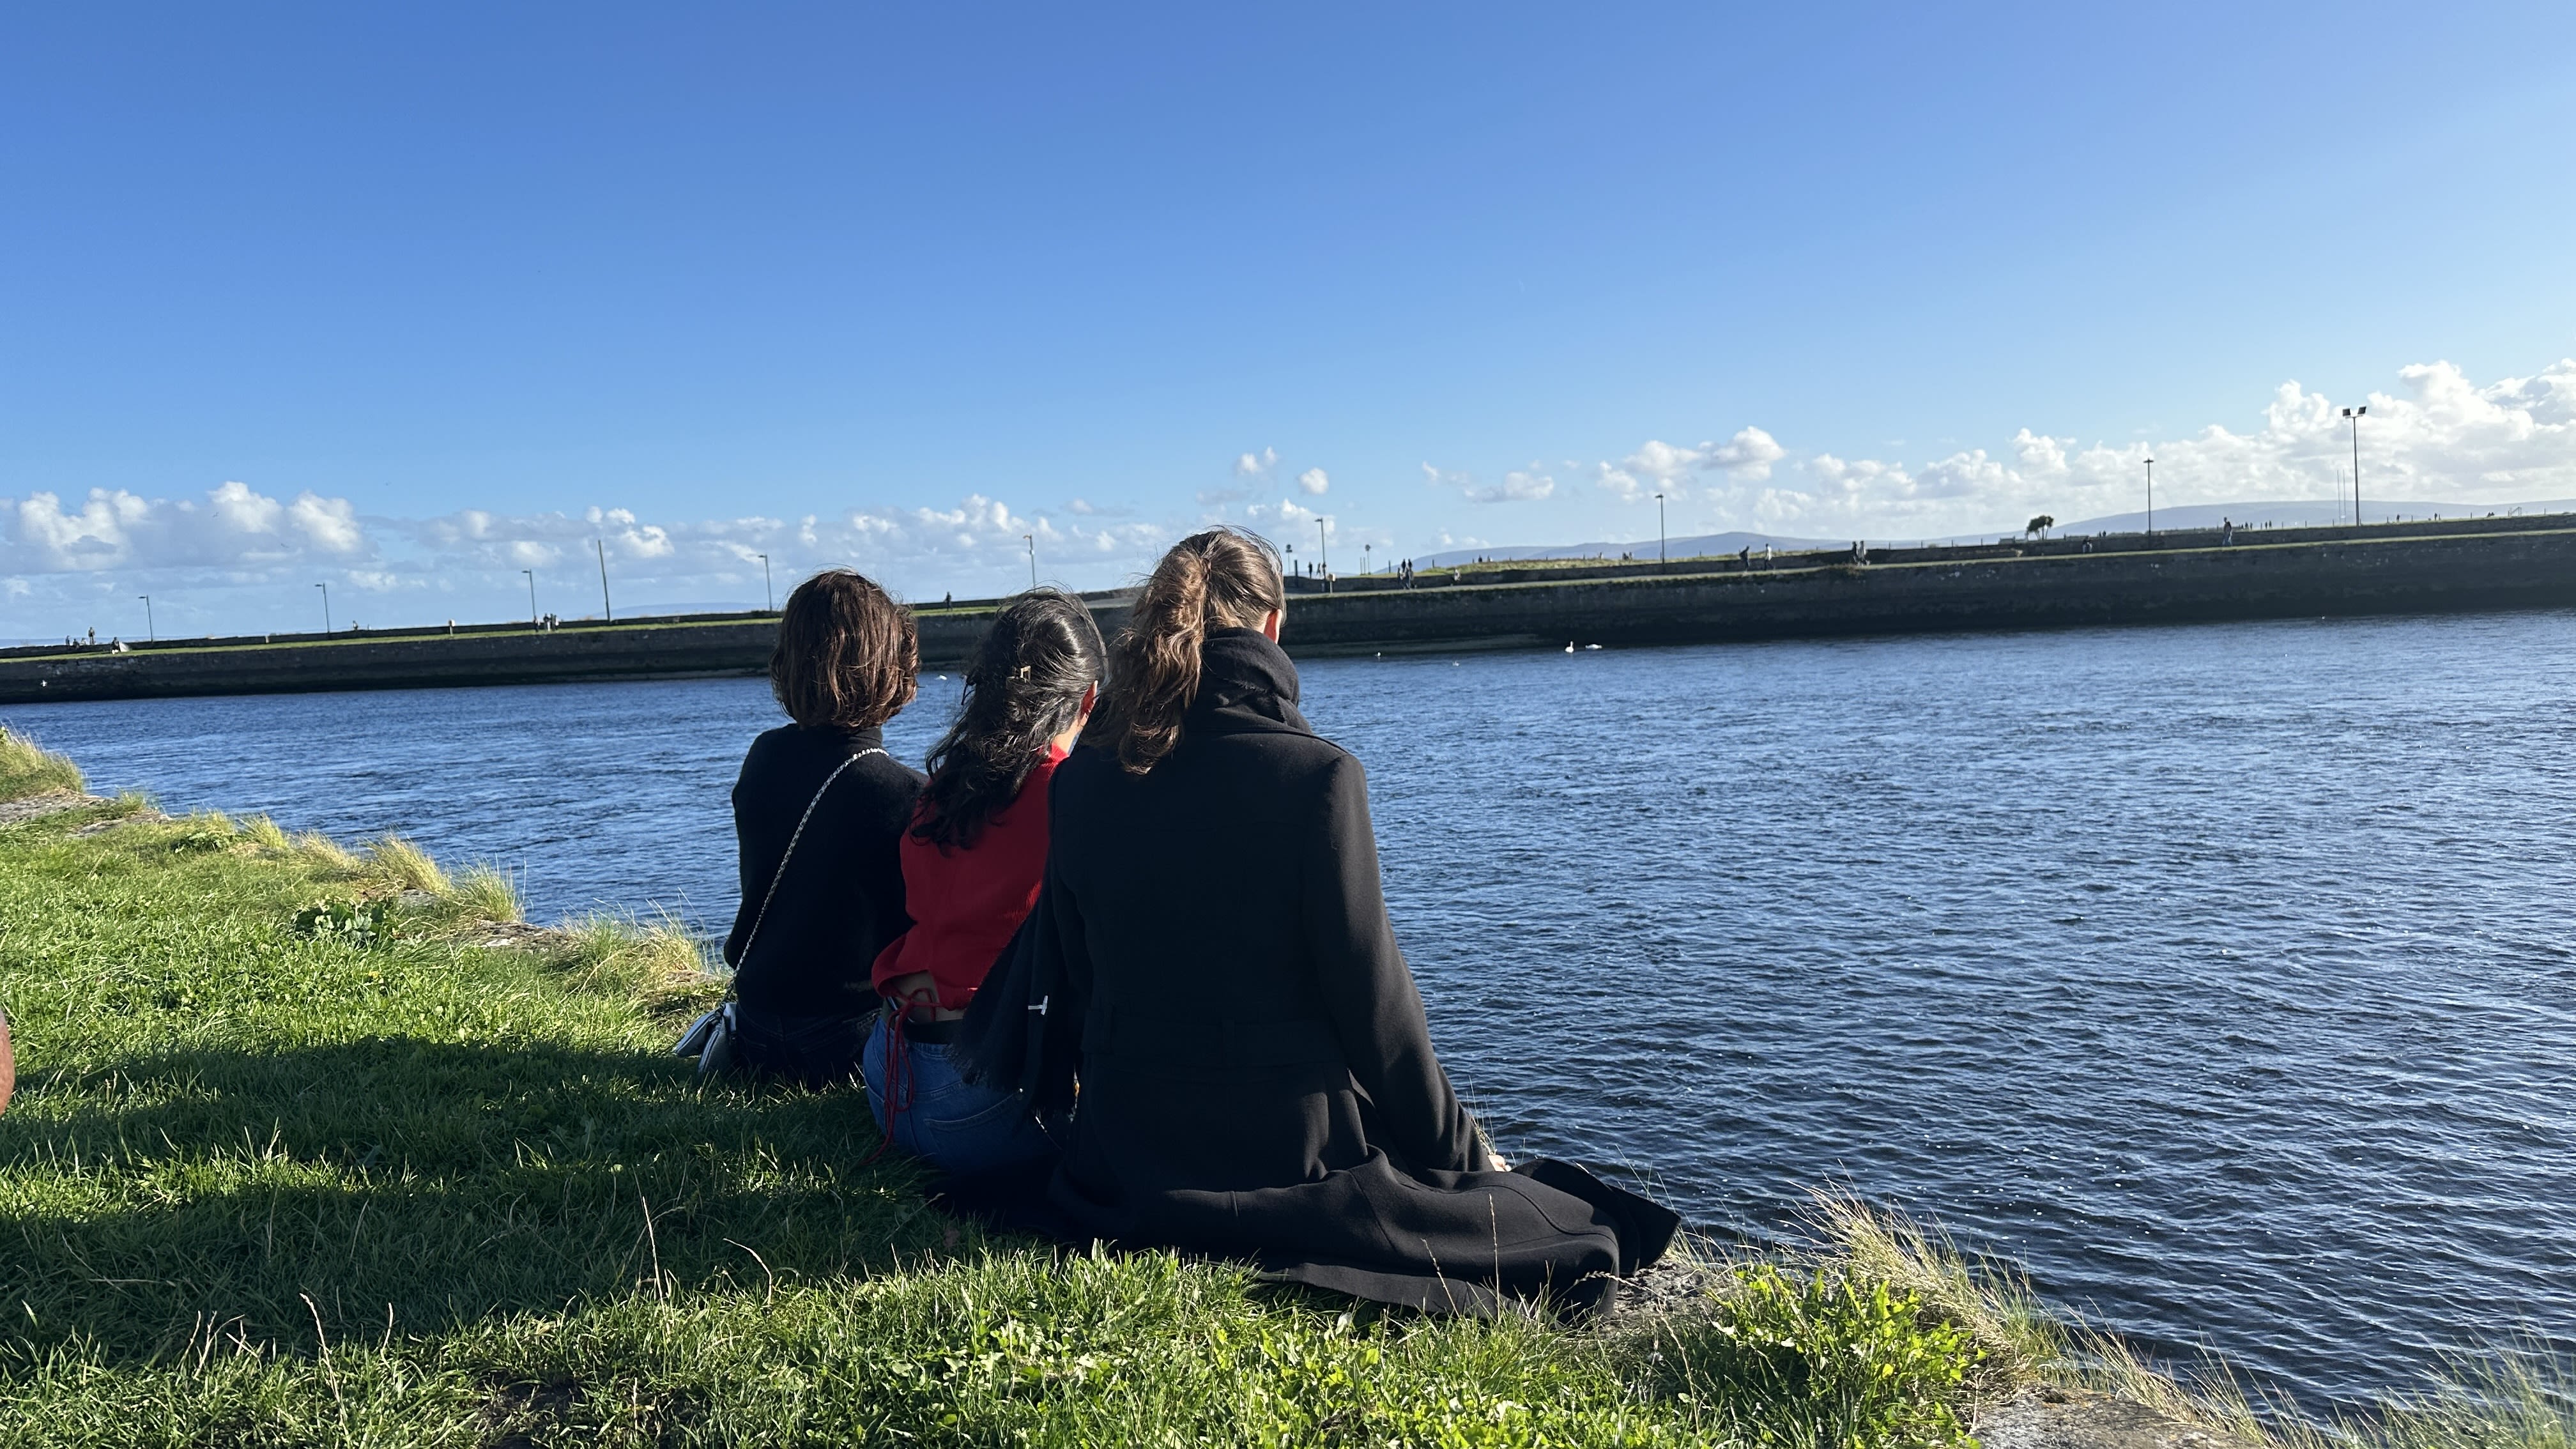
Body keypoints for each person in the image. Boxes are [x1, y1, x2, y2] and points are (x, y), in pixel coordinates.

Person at [958, 527, 1674, 1315]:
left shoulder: (1085, 780)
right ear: (1272, 625)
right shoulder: (1321, 779)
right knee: (1581, 1230)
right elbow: (1378, 1013)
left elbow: (1076, 979)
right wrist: (1466, 1158)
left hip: (1125, 1158)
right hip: (1286, 1153)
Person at [863, 589, 1104, 1176]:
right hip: (984, 1100)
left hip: (891, 1080)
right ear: (1089, 699)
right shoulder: (1071, 794)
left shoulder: (939, 792)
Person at [723, 569, 924, 1087]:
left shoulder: (763, 756)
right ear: (892, 668)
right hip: (843, 1039)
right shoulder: (904, 793)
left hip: (756, 1025)